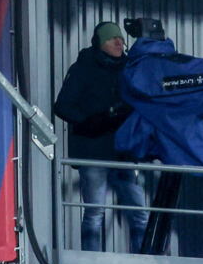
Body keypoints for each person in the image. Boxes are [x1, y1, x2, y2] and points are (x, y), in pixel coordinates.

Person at [53, 22, 147, 252]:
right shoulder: (83, 68)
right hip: (92, 151)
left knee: (139, 213)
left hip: (122, 151)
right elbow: (63, 106)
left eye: (120, 38)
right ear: (99, 43)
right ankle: (92, 261)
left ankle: (145, 261)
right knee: (95, 212)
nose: (119, 42)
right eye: (112, 39)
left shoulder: (128, 69)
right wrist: (93, 120)